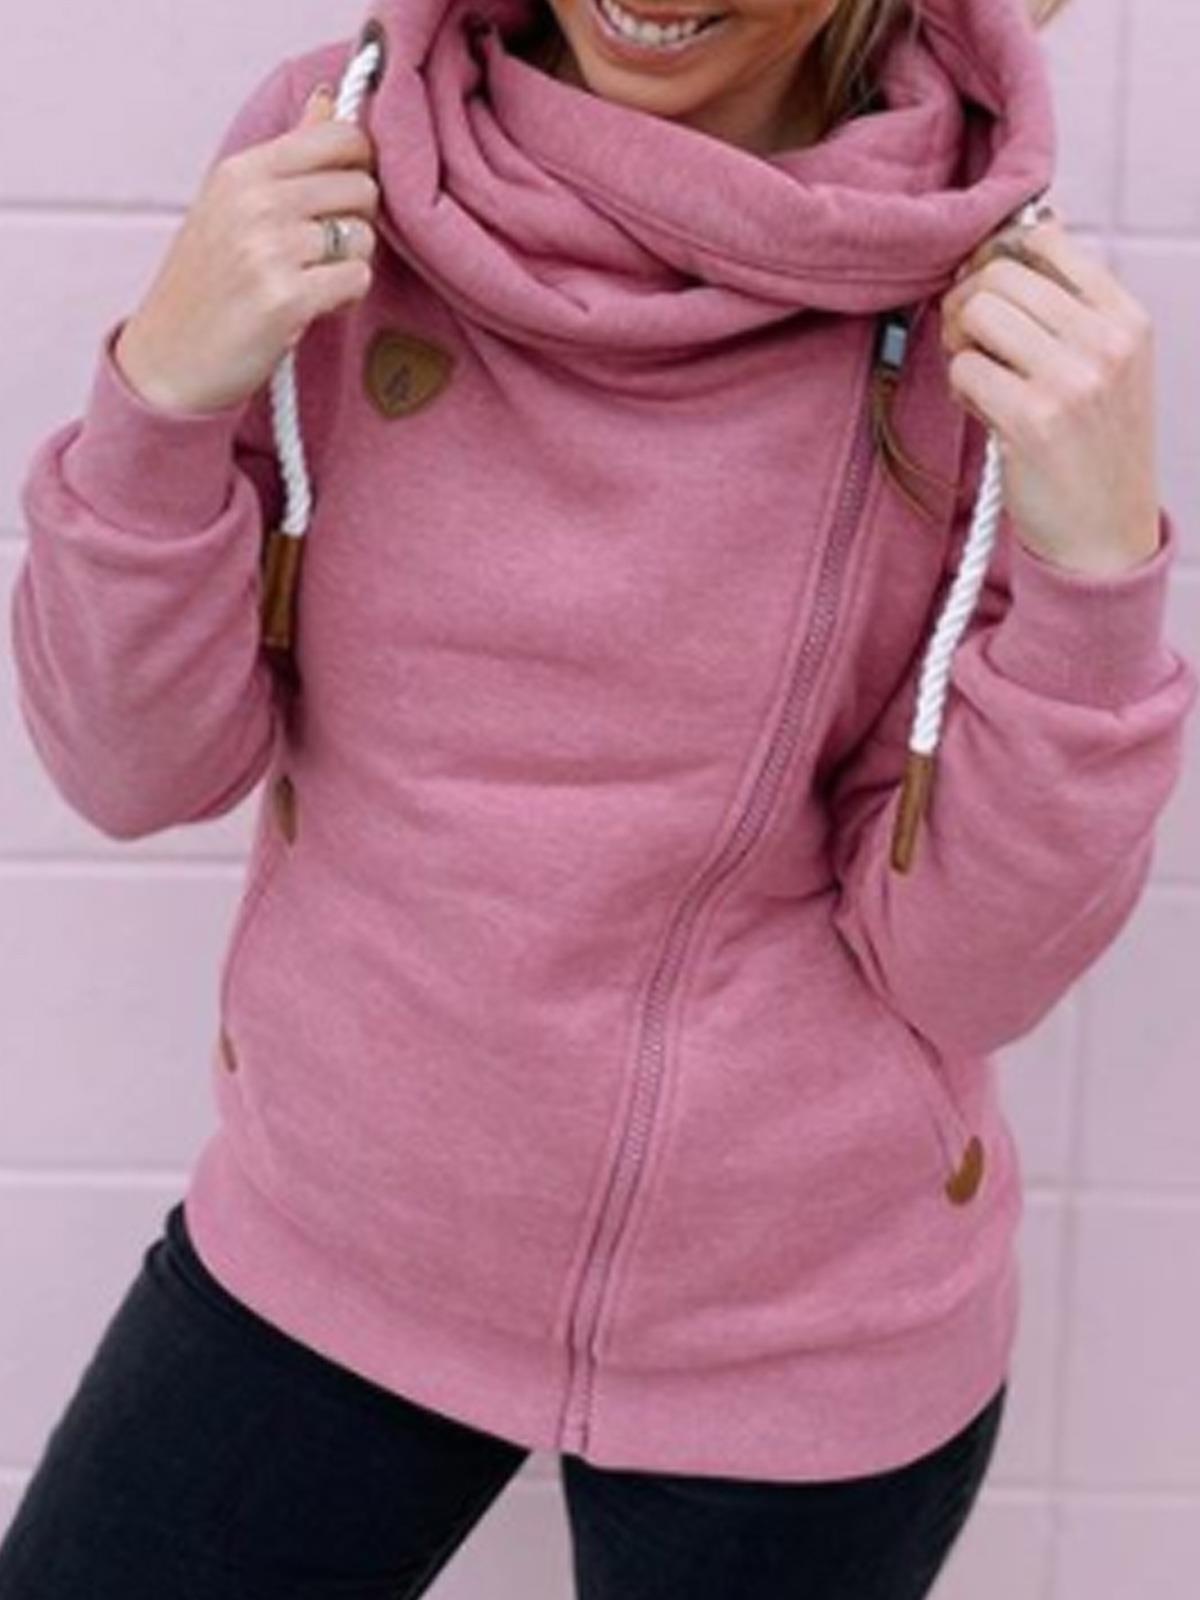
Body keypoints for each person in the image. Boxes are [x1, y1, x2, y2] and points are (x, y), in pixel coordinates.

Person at [3, 0, 1195, 1595]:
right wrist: (161, 396)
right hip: (329, 1238)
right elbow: (135, 768)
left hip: (799, 1344)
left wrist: (1095, 580)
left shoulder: (990, 304)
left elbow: (968, 970)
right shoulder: (332, 151)